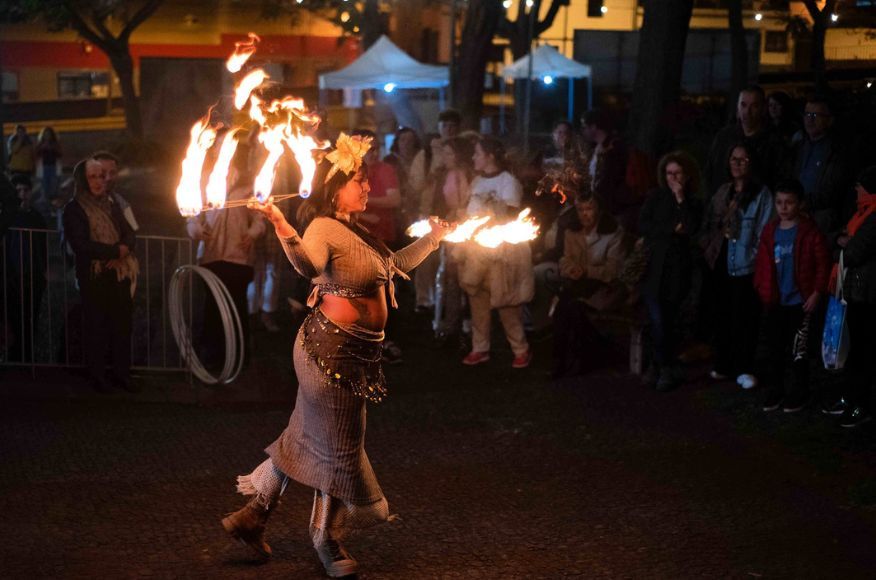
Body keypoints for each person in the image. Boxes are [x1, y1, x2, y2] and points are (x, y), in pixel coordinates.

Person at [223, 133, 452, 577]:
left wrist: (436, 238)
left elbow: (394, 265)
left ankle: (253, 516)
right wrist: (280, 223)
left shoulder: (357, 231)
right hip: (325, 353)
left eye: (367, 180)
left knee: (308, 438)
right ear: (334, 187)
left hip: (356, 357)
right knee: (339, 449)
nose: (368, 188)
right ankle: (327, 541)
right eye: (360, 181)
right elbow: (308, 266)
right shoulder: (323, 227)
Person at [701, 143, 774, 390]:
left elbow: (765, 230)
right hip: (721, 259)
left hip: (746, 263)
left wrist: (752, 256)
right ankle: (723, 362)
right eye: (734, 158)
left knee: (745, 316)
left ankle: (744, 366)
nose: (737, 163)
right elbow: (710, 222)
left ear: (752, 163)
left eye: (743, 159)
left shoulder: (762, 195)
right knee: (722, 313)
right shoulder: (723, 191)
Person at [456, 137, 533, 369]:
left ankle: (521, 349)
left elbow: (508, 217)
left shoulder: (508, 182)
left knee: (506, 303)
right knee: (477, 299)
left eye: (477, 153)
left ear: (489, 156)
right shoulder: (477, 181)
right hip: (477, 253)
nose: (473, 157)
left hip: (502, 253)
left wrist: (485, 219)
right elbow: (470, 214)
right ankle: (480, 348)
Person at [62, 158, 138, 393]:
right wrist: (115, 251)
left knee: (121, 326)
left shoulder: (112, 203)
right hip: (94, 276)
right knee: (96, 327)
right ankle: (97, 376)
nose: (99, 181)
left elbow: (129, 232)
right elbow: (81, 245)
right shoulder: (74, 208)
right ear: (83, 180)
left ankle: (121, 374)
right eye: (93, 177)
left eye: (101, 176)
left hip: (119, 273)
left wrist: (123, 249)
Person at [753, 179, 829, 413]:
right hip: (777, 301)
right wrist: (763, 289)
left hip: (800, 302)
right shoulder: (770, 230)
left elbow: (822, 264)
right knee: (775, 349)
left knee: (799, 351)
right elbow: (763, 264)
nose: (783, 207)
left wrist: (816, 292)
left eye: (789, 202)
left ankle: (799, 392)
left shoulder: (808, 231)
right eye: (779, 202)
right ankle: (776, 390)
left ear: (799, 203)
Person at [187, 144, 265, 367]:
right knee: (213, 306)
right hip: (211, 254)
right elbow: (191, 216)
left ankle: (238, 356)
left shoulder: (249, 183)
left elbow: (259, 219)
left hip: (238, 256)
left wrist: (252, 232)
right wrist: (195, 230)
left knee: (237, 305)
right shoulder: (204, 180)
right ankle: (213, 357)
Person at [639, 151, 702, 391]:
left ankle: (665, 366)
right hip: (655, 268)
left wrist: (680, 198)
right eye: (668, 173)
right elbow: (644, 224)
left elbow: (690, 227)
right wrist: (669, 229)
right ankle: (660, 365)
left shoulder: (693, 201)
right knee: (656, 319)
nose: (672, 178)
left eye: (677, 173)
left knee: (670, 319)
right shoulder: (655, 198)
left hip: (677, 270)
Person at [552, 192, 626, 378]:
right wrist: (570, 269)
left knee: (575, 308)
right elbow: (565, 258)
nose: (585, 214)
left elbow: (614, 270)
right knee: (563, 306)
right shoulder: (572, 231)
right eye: (581, 210)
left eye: (589, 209)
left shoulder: (613, 233)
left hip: (605, 287)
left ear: (598, 210)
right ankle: (561, 360)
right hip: (579, 283)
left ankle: (586, 357)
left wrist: (586, 270)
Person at [827, 166, 876, 428]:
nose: (855, 190)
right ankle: (849, 399)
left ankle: (860, 406)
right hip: (855, 293)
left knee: (862, 351)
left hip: (867, 296)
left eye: (859, 186)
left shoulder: (873, 217)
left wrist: (842, 244)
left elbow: (854, 252)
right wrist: (841, 241)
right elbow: (840, 240)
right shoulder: (862, 213)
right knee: (852, 349)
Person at [410, 110, 461, 312]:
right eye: (445, 125)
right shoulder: (427, 154)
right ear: (439, 127)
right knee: (425, 258)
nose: (449, 129)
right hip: (429, 212)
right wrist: (433, 170)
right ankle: (425, 301)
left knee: (450, 262)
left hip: (454, 215)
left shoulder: (464, 152)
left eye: (452, 125)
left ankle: (447, 305)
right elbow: (415, 186)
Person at [705, 85, 788, 196]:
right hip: (723, 204)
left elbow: (779, 180)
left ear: (763, 109)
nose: (747, 111)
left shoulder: (774, 142)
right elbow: (710, 172)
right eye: (743, 105)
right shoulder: (724, 137)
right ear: (737, 107)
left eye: (754, 106)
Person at [433, 136, 475, 346]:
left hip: (463, 229)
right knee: (449, 278)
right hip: (450, 227)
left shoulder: (465, 175)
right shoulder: (446, 174)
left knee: (462, 279)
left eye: (449, 153)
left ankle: (464, 327)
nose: (445, 157)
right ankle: (451, 325)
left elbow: (468, 203)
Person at [791, 95, 851, 237]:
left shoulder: (835, 152)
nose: (810, 120)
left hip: (820, 221)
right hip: (795, 214)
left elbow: (833, 189)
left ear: (829, 120)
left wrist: (806, 202)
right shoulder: (798, 148)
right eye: (807, 114)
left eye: (816, 115)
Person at [3, 175, 47, 363]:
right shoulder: (7, 218)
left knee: (31, 318)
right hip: (12, 275)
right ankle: (14, 356)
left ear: (31, 192)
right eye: (18, 191)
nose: (22, 195)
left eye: (25, 190)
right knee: (13, 318)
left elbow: (42, 247)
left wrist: (41, 271)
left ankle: (27, 357)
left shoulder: (37, 218)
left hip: (33, 275)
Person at [93, 151, 140, 232]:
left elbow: (133, 233)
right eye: (103, 172)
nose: (108, 178)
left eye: (112, 173)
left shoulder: (122, 204)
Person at [35, 126, 62, 212]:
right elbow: (36, 154)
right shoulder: (40, 144)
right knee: (44, 189)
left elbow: (60, 154)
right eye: (46, 134)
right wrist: (42, 148)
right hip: (43, 168)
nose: (47, 136)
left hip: (53, 167)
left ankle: (53, 209)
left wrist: (53, 148)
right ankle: (46, 209)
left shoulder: (55, 143)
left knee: (53, 189)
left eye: (49, 134)